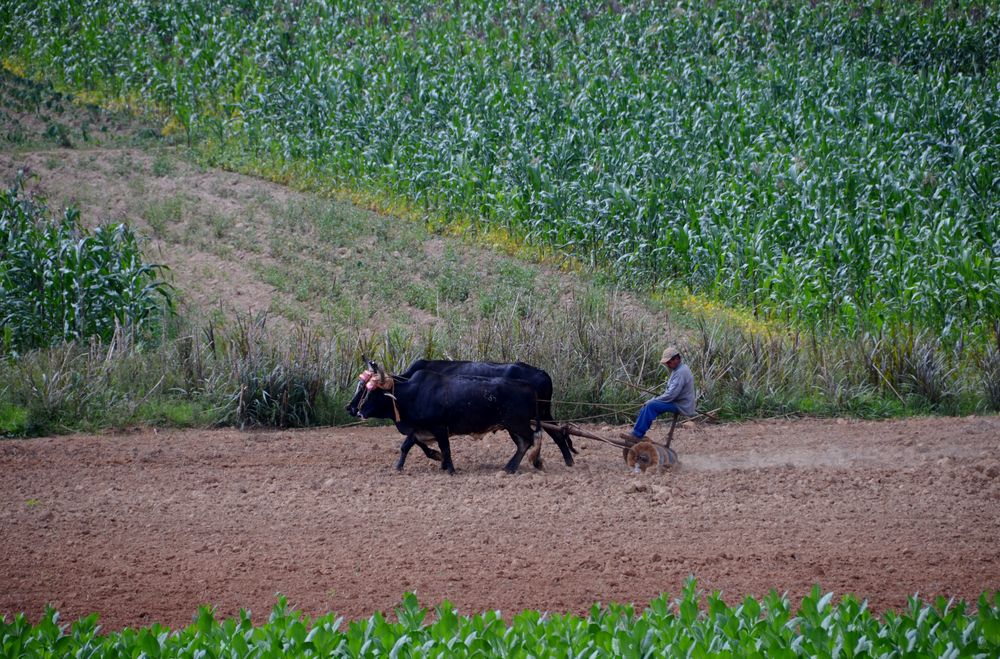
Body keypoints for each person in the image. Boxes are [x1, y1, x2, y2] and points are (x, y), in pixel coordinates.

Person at [621, 346, 696, 442]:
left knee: (651, 405)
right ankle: (638, 432)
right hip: (678, 402)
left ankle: (637, 434)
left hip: (680, 405)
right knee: (649, 405)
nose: (668, 365)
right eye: (667, 363)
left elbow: (671, 395)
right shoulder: (679, 369)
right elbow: (671, 393)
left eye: (669, 362)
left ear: (677, 359)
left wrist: (654, 400)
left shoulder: (680, 372)